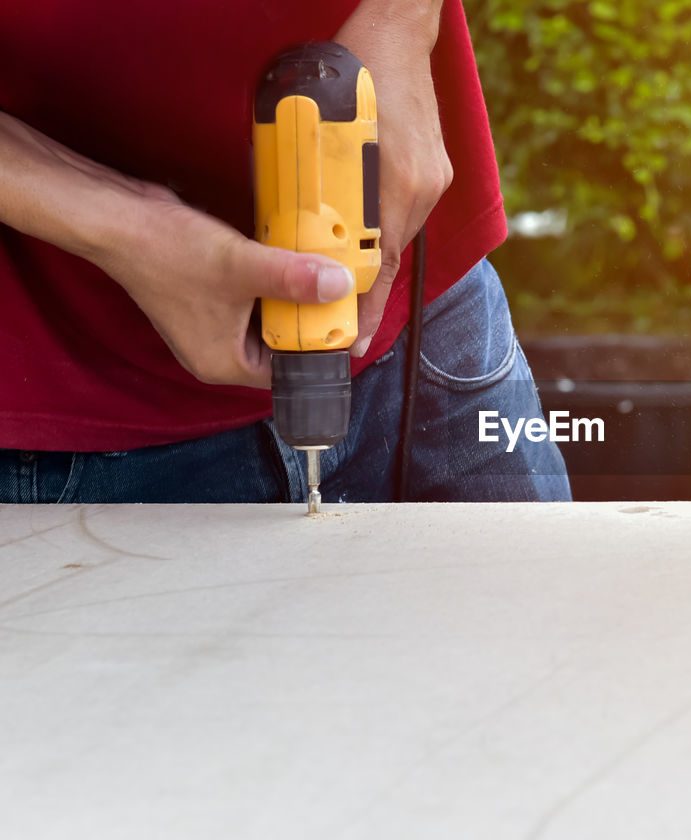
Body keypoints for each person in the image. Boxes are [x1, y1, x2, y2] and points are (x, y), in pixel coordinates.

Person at [0, 0, 571, 503]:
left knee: (545, 622)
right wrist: (124, 223)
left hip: (424, 314)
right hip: (71, 409)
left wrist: (403, 15)